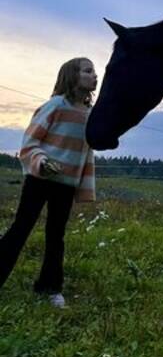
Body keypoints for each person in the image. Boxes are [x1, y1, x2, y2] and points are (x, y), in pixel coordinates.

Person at [0, 57, 97, 307]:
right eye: (88, 71)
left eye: (94, 71)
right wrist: (42, 161)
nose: (94, 75)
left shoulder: (90, 115)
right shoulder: (55, 106)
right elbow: (30, 142)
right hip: (40, 179)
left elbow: (89, 150)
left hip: (66, 184)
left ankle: (50, 287)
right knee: (21, 228)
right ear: (72, 76)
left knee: (57, 235)